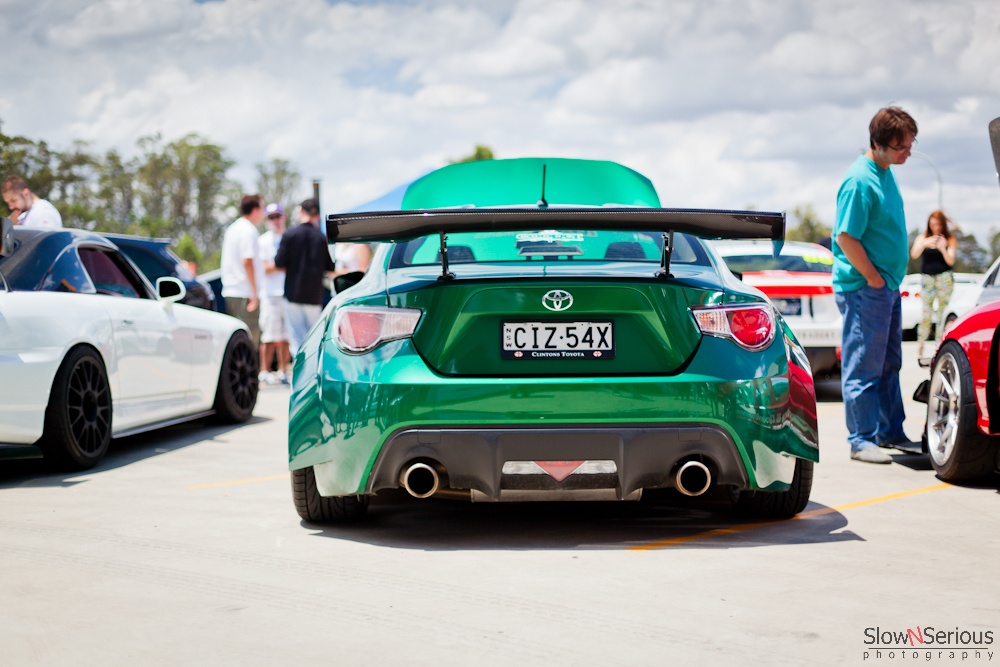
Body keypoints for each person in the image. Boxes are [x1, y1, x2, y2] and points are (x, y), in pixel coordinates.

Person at [833, 106, 920, 465]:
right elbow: (845, 237)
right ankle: (861, 440)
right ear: (878, 144)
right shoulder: (859, 181)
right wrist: (872, 277)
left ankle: (890, 432)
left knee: (888, 364)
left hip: (885, 287)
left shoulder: (886, 171)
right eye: (901, 147)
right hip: (865, 288)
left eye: (911, 145)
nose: (908, 153)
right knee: (865, 364)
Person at [275, 198, 336, 354]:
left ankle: (300, 368)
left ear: (301, 211)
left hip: (293, 294)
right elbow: (330, 267)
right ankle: (313, 369)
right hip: (314, 296)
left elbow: (278, 262)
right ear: (317, 215)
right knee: (314, 338)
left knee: (296, 338)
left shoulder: (290, 234)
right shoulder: (321, 238)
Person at [909, 210, 957, 358]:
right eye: (933, 224)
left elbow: (950, 261)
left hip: (944, 278)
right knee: (926, 314)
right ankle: (921, 346)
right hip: (928, 278)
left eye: (939, 225)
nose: (936, 227)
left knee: (942, 313)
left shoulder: (949, 239)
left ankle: (939, 346)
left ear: (943, 225)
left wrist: (942, 248)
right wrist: (925, 243)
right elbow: (914, 254)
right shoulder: (922, 238)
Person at [221, 195, 265, 346]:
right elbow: (247, 261)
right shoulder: (248, 230)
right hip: (244, 293)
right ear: (255, 210)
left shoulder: (232, 228)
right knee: (250, 340)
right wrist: (254, 292)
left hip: (231, 291)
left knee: (236, 340)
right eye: (262, 208)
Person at [258, 203, 290, 385]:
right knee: (269, 335)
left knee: (286, 336)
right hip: (270, 294)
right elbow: (263, 268)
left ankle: (282, 371)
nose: (275, 220)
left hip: (288, 292)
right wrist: (282, 265)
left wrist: (276, 265)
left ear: (284, 216)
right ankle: (264, 371)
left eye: (278, 216)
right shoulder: (263, 241)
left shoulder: (290, 237)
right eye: (271, 217)